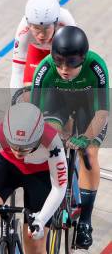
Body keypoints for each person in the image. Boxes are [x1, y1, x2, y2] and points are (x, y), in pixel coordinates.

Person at [30, 26, 108, 250]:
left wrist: (86, 138)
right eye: (59, 62)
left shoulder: (96, 67)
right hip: (59, 104)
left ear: (82, 59)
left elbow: (102, 111)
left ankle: (85, 221)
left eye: (71, 63)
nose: (64, 69)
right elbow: (34, 110)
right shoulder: (45, 68)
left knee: (88, 154)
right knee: (49, 140)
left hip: (88, 108)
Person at [0, 103, 68, 254]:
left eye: (25, 147)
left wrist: (40, 220)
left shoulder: (53, 142)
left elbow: (59, 188)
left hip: (41, 174)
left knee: (34, 245)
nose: (19, 152)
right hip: (8, 167)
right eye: (13, 145)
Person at [10, 0, 76, 89]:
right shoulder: (23, 31)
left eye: (46, 28)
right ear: (29, 25)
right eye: (36, 28)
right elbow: (17, 72)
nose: (41, 35)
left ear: (56, 23)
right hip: (37, 51)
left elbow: (78, 60)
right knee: (29, 90)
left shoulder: (66, 21)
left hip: (61, 53)